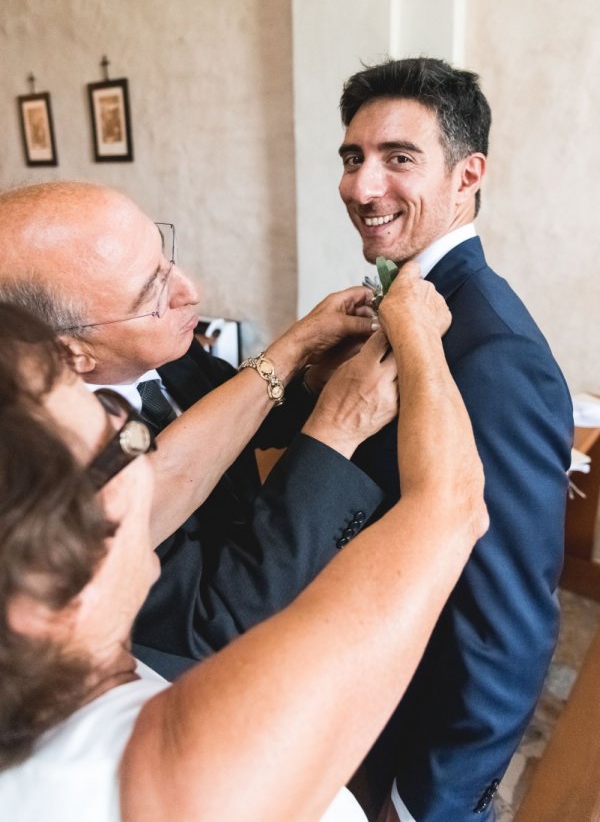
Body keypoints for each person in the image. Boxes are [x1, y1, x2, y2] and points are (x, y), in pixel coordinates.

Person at [0, 268, 488, 822]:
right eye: (121, 442)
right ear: (41, 600)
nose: (144, 450)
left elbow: (175, 470)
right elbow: (452, 504)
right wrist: (419, 338)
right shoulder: (192, 765)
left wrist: (299, 350)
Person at [0, 181, 396, 680]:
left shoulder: (167, 352)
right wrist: (337, 428)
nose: (191, 292)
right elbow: (222, 617)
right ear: (68, 353)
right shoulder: (58, 469)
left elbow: (244, 418)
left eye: (164, 259)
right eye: (151, 293)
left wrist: (313, 375)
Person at [336, 57, 574, 822]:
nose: (362, 187)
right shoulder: (401, 301)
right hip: (359, 715)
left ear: (468, 174)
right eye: (352, 157)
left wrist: (427, 803)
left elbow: (507, 621)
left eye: (398, 159)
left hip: (416, 769)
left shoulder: (492, 351)